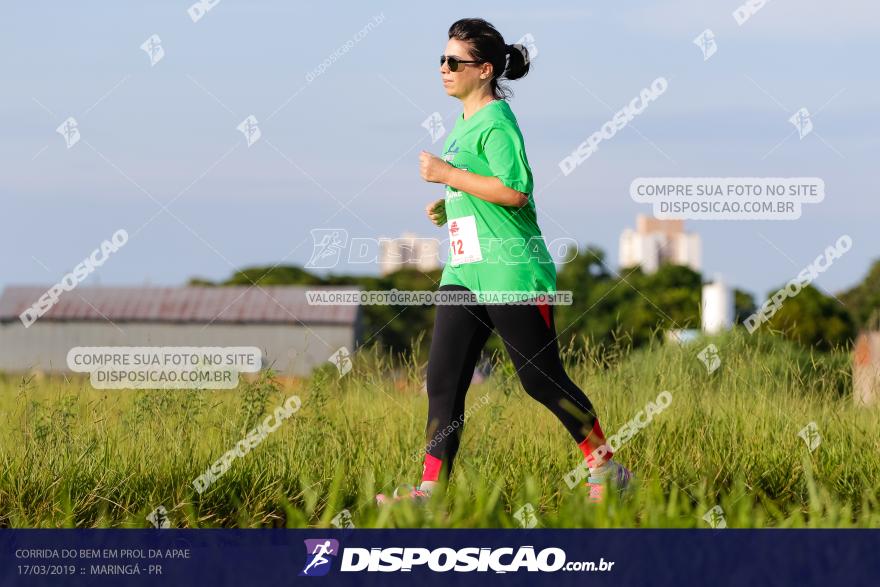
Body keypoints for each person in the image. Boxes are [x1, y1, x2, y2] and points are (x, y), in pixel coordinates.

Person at [377, 18, 632, 506]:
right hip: (465, 271)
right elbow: (484, 188)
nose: (445, 68)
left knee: (539, 379)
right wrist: (450, 201)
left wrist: (447, 173)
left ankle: (606, 468)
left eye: (456, 61)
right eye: (442, 59)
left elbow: (515, 192)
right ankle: (431, 494)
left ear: (485, 70)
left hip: (511, 269)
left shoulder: (497, 122)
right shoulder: (466, 122)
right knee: (443, 379)